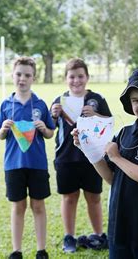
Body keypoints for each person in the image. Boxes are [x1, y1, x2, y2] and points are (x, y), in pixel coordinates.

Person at [73, 68, 138, 258]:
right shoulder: (123, 133)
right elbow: (111, 178)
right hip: (120, 222)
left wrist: (117, 157)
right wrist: (87, 149)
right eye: (135, 100)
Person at [0, 57, 55, 259]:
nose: (22, 78)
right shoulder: (6, 104)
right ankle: (17, 250)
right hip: (13, 164)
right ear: (13, 76)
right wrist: (3, 129)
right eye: (19, 74)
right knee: (18, 206)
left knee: (38, 205)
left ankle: (41, 249)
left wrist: (44, 128)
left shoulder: (40, 104)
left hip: (37, 164)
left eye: (27, 75)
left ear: (33, 78)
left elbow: (49, 134)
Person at [50, 58, 111, 253]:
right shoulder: (59, 101)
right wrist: (52, 115)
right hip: (66, 158)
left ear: (87, 77)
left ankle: (98, 235)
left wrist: (95, 114)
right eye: (72, 77)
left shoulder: (97, 99)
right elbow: (50, 129)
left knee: (94, 197)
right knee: (69, 198)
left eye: (80, 76)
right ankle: (69, 237)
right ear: (66, 78)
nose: (76, 80)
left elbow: (109, 123)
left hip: (93, 158)